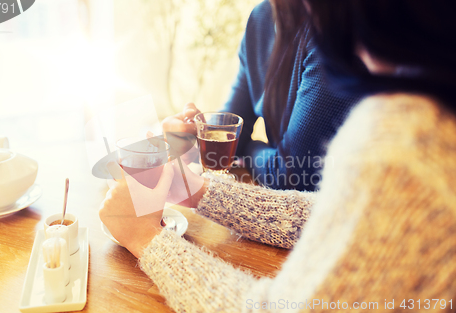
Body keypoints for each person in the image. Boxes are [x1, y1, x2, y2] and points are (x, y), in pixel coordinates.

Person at [100, 0, 456, 312]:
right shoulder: (421, 109)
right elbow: (332, 214)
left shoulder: (403, 137)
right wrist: (197, 190)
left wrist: (147, 240)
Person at [162, 0, 362, 191]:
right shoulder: (261, 17)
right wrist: (194, 140)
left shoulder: (333, 28)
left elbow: (289, 175)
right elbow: (233, 127)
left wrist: (250, 149)